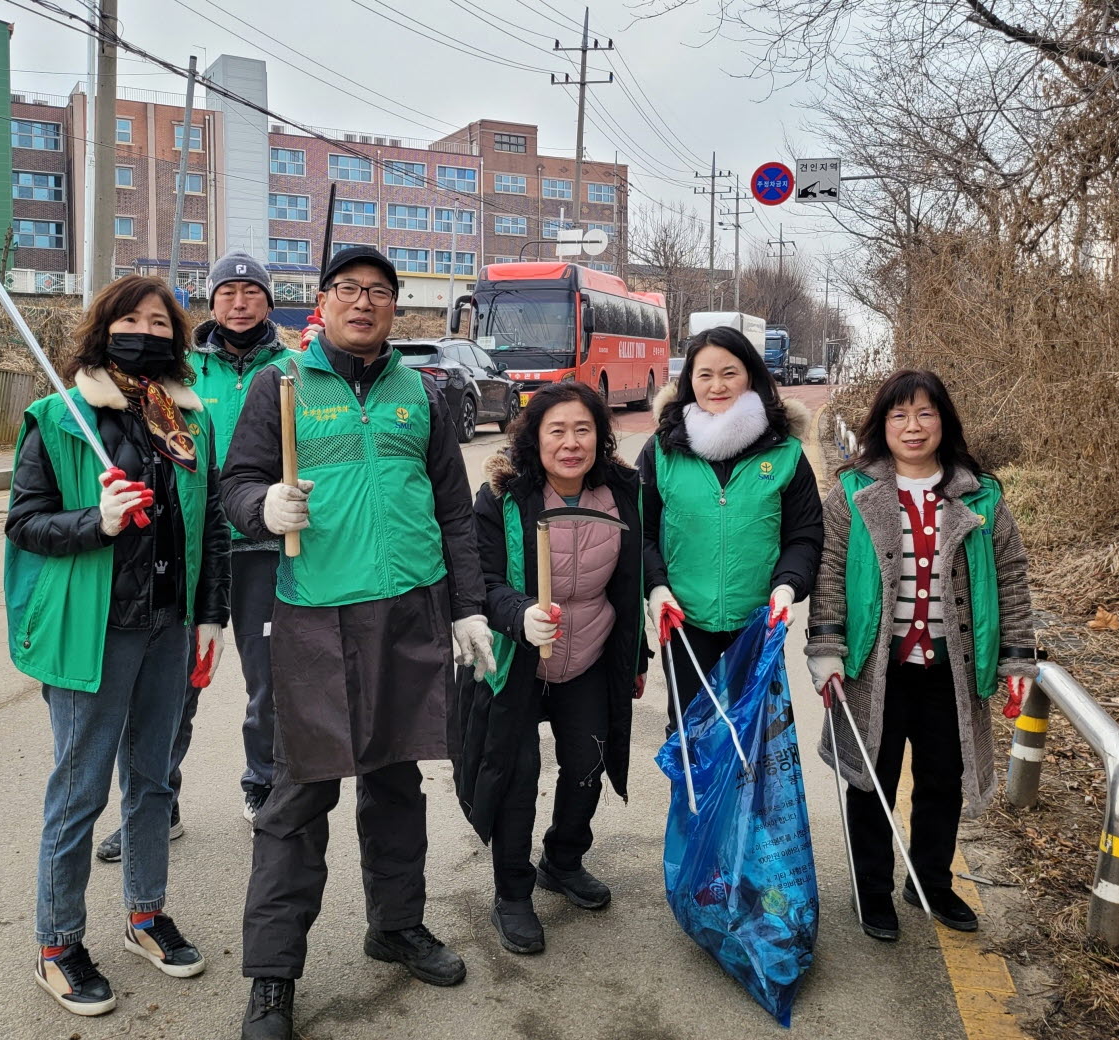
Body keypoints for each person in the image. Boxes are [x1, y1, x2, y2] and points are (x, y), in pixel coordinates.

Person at [220, 245, 495, 1040]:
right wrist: (260, 507)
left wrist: (466, 608)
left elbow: (452, 509)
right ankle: (272, 975)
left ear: (395, 306)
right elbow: (236, 483)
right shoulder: (281, 387)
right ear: (324, 302)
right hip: (315, 613)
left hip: (409, 609)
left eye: (379, 291)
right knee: (298, 797)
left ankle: (395, 925)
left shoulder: (423, 393)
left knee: (396, 783)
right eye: (349, 290)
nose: (364, 303)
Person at [5, 275, 230, 1017]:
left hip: (168, 625)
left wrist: (210, 615)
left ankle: (144, 915)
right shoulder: (57, 418)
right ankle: (57, 942)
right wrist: (93, 522)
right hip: (93, 632)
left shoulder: (186, 424)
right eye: (132, 318)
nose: (148, 331)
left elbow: (213, 527)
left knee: (153, 782)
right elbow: (26, 523)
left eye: (161, 322)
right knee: (79, 791)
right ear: (104, 328)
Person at [804, 369, 1037, 942]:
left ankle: (929, 881)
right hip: (872, 668)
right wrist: (826, 650)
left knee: (942, 778)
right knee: (872, 781)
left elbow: (1011, 576)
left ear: (944, 422)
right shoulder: (854, 493)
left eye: (925, 414)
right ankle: (873, 889)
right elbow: (829, 572)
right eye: (899, 415)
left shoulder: (981, 494)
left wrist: (1016, 660)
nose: (913, 426)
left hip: (949, 670)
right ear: (882, 425)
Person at [93, 252, 288, 865]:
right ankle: (158, 801)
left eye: (250, 291)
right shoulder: (182, 370)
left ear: (266, 300)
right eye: (227, 291)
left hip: (263, 549)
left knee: (270, 682)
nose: (238, 301)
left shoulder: (294, 368)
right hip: (189, 546)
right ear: (211, 301)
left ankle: (263, 785)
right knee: (176, 685)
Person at [454, 383, 647, 956]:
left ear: (600, 437)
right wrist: (517, 615)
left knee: (587, 762)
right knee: (516, 777)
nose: (570, 443)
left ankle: (563, 859)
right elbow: (479, 580)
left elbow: (632, 578)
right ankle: (512, 893)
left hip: (588, 651)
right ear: (533, 438)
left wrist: (635, 656)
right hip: (516, 657)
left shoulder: (622, 491)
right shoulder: (501, 498)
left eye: (582, 430)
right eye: (556, 431)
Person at [638, 327, 823, 724]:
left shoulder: (785, 452)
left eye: (729, 372)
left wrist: (786, 588)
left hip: (759, 622)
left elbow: (804, 536)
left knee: (755, 737)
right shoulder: (663, 450)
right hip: (684, 619)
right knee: (691, 737)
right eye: (704, 374)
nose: (717, 385)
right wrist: (655, 587)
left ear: (751, 376)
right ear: (689, 381)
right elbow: (640, 532)